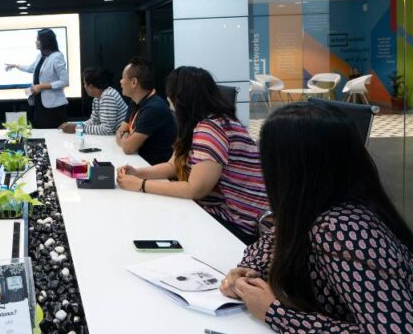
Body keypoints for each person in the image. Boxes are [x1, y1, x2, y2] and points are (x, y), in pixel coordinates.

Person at [219, 103, 413, 334]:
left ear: (290, 171)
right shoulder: (311, 206)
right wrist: (250, 272)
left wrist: (278, 314)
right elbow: (272, 241)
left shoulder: (342, 229)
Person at [116, 67, 268, 244]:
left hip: (238, 222)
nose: (167, 98)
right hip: (220, 212)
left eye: (170, 93)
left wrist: (141, 185)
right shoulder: (199, 125)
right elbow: (173, 166)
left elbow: (195, 189)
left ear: (181, 98)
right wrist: (137, 173)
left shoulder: (211, 129)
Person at [3, 28, 69, 128]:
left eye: (38, 39)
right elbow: (31, 68)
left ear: (46, 41)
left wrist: (41, 86)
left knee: (53, 134)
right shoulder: (40, 56)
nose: (36, 42)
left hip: (53, 106)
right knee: (42, 131)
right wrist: (16, 65)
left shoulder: (57, 57)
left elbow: (64, 81)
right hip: (39, 103)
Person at [114, 57, 176, 164]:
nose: (120, 82)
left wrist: (125, 135)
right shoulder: (135, 102)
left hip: (153, 168)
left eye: (123, 78)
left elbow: (128, 148)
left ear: (134, 82)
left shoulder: (153, 108)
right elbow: (119, 132)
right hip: (138, 160)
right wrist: (125, 136)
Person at [59, 66, 127, 135]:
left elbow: (107, 130)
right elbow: (94, 121)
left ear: (91, 86)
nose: (84, 86)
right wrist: (75, 125)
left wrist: (77, 128)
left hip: (121, 137)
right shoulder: (97, 97)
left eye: (85, 84)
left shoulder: (108, 96)